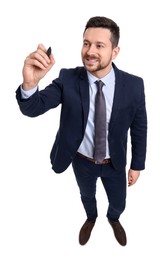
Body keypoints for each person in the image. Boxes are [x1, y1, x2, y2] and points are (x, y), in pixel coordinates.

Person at [16, 16, 147, 246]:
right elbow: (33, 108)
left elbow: (139, 128)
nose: (90, 51)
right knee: (87, 195)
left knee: (119, 201)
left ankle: (113, 218)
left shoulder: (134, 85)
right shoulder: (68, 78)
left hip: (114, 163)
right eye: (86, 43)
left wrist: (137, 165)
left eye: (99, 45)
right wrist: (30, 84)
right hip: (82, 161)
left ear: (115, 52)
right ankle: (91, 217)